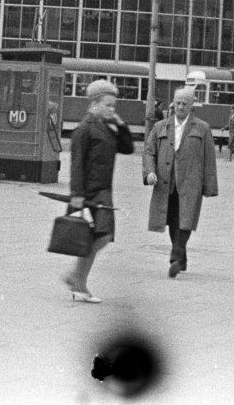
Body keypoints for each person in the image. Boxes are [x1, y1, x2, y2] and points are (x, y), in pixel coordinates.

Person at [63, 79, 134, 303]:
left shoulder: (106, 127)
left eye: (114, 105)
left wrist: (120, 123)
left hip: (104, 192)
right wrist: (76, 194)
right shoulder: (84, 129)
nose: (112, 109)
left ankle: (76, 279)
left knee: (101, 237)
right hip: (90, 193)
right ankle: (78, 282)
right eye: (108, 105)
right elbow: (76, 164)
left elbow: (128, 147)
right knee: (101, 236)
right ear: (94, 104)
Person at [142, 86, 219, 278]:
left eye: (185, 104)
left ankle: (176, 254)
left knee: (186, 220)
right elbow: (149, 151)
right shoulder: (161, 126)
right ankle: (181, 257)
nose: (180, 107)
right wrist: (150, 172)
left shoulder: (202, 128)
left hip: (190, 182)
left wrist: (210, 186)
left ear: (192, 106)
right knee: (171, 219)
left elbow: (209, 158)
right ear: (173, 103)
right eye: (177, 103)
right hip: (166, 182)